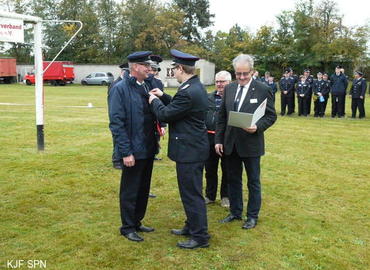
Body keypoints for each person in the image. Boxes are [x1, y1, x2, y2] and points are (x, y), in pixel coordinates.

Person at [149, 49, 210, 249]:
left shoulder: (188, 91)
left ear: (181, 68)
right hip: (194, 148)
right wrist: (164, 95)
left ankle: (200, 237)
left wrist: (155, 101)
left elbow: (167, 115)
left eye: (174, 68)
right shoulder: (193, 86)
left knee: (191, 194)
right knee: (191, 192)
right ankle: (191, 226)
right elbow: (179, 107)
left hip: (189, 151)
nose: (172, 71)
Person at [215, 54, 277, 230]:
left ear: (252, 72)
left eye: (245, 74)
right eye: (238, 74)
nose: (241, 78)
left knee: (253, 181)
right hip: (230, 143)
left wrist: (257, 126)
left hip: (251, 144)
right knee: (233, 179)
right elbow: (222, 117)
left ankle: (252, 216)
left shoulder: (263, 89)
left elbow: (271, 116)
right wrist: (218, 139)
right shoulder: (229, 88)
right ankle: (235, 212)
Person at [109, 51, 159, 242]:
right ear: (136, 67)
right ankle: (127, 226)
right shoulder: (119, 89)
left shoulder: (145, 86)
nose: (149, 69)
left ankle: (137, 221)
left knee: (143, 188)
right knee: (130, 190)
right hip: (133, 150)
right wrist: (126, 152)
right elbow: (117, 123)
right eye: (146, 66)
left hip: (147, 148)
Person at [204, 71, 231, 208]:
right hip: (209, 138)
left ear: (229, 83)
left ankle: (225, 196)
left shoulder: (233, 98)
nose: (219, 84)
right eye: (217, 81)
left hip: (226, 139)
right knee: (210, 168)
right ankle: (210, 195)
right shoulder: (207, 98)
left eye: (223, 82)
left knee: (227, 169)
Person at [108, 62, 129, 169]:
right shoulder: (116, 84)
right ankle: (116, 160)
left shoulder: (124, 83)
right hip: (118, 113)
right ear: (123, 72)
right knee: (118, 137)